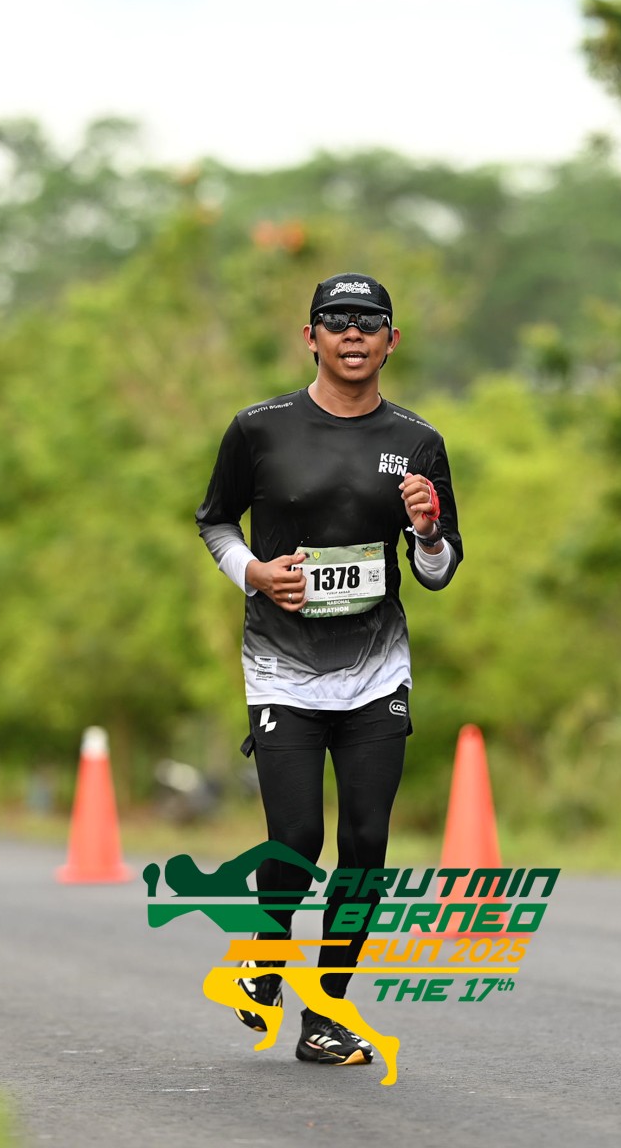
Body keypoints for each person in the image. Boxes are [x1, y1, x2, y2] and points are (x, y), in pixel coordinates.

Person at [195, 272, 462, 1069]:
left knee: (367, 841)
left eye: (369, 321)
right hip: (281, 665)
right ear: (309, 336)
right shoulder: (259, 429)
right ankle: (267, 952)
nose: (353, 333)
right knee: (298, 836)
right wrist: (254, 573)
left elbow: (439, 571)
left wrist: (426, 532)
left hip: (377, 670)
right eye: (336, 319)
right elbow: (215, 521)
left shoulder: (419, 442)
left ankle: (325, 1013)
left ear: (391, 341)